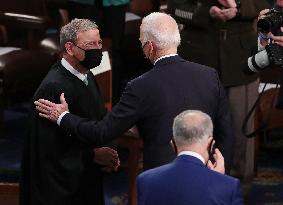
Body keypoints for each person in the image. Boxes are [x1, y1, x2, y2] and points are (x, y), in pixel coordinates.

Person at [34, 12, 235, 172]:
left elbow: (103, 131)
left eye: (141, 42)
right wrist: (219, 168)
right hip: (208, 173)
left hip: (161, 181)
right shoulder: (210, 76)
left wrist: (63, 117)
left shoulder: (140, 86)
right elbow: (226, 133)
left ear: (149, 47)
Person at [167, 0, 270, 192]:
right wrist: (207, 13)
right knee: (195, 136)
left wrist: (239, 8)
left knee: (241, 137)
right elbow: (176, 9)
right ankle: (195, 193)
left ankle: (239, 193)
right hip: (198, 62)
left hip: (241, 63)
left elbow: (264, 3)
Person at [20, 19, 120, 205]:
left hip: (87, 178)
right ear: (69, 47)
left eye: (99, 43)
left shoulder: (86, 74)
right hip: (60, 191)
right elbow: (46, 150)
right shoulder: (54, 88)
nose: (98, 50)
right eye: (90, 44)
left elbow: (99, 116)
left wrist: (109, 149)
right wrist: (93, 155)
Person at [137, 110, 243, 205]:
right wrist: (218, 180)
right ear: (211, 144)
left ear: (173, 144)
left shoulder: (145, 180)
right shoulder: (229, 187)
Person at [67, 0, 129, 105]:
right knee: (81, 52)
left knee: (113, 53)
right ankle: (81, 103)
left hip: (113, 4)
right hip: (82, 5)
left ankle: (112, 103)